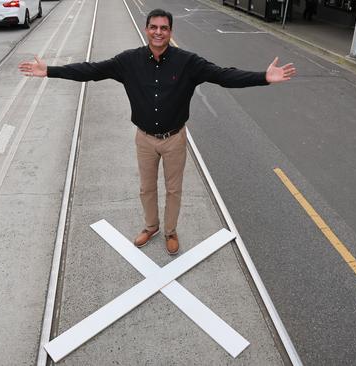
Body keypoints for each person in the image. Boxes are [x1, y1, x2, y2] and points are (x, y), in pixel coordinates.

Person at [18, 9, 296, 255]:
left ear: (170, 31)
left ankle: (171, 231)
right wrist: (50, 71)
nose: (159, 32)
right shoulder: (128, 61)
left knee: (174, 190)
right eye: (154, 27)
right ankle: (151, 226)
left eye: (164, 28)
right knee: (146, 188)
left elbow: (223, 75)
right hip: (145, 140)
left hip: (174, 139)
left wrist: (263, 77)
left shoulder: (188, 63)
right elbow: (91, 70)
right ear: (146, 29)